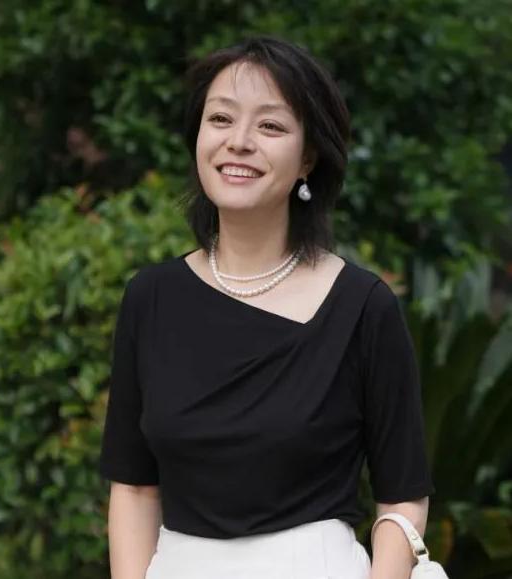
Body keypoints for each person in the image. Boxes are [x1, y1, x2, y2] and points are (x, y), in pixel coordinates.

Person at [99, 35, 435, 579]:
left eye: (270, 126)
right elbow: (135, 488)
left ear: (308, 158)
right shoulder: (151, 297)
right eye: (220, 119)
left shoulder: (362, 307)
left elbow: (402, 499)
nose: (239, 142)